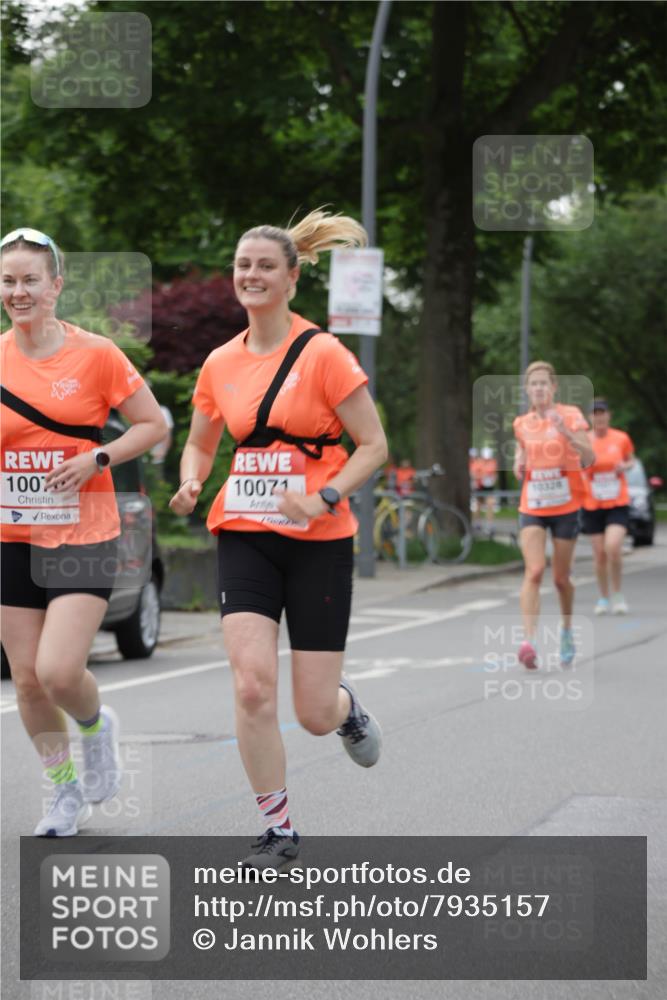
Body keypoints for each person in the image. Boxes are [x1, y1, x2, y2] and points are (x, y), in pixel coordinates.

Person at [169, 209, 387, 870]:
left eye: (265, 265)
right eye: (242, 265)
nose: (251, 275)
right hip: (244, 533)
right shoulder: (218, 363)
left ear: (292, 277)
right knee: (252, 686)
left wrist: (323, 495)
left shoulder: (322, 353)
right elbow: (201, 442)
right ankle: (278, 828)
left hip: (318, 538)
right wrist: (190, 481)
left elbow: (373, 446)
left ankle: (346, 711)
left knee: (313, 711)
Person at [0, 228, 167, 836]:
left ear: (56, 287)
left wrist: (97, 459)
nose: (18, 292)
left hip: (83, 530)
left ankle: (97, 729)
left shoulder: (95, 354)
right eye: (8, 281)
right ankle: (63, 793)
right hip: (12, 536)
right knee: (25, 679)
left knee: (59, 673)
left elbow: (151, 425)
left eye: (30, 281)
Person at [512, 362, 594, 669]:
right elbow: (523, 449)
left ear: (554, 387)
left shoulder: (571, 415)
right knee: (534, 571)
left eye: (544, 383)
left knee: (560, 579)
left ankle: (567, 631)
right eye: (533, 384)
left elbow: (588, 457)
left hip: (565, 505)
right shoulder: (521, 423)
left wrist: (565, 430)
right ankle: (528, 642)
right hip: (532, 504)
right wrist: (520, 460)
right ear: (527, 389)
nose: (539, 389)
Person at [580, 398, 635, 614]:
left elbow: (632, 460)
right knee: (599, 554)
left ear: (608, 415)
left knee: (613, 547)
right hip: (592, 503)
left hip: (617, 501)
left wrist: (624, 466)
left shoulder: (621, 438)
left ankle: (618, 594)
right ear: (590, 417)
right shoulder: (584, 440)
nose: (599, 416)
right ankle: (603, 597)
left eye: (602, 412)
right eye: (595, 413)